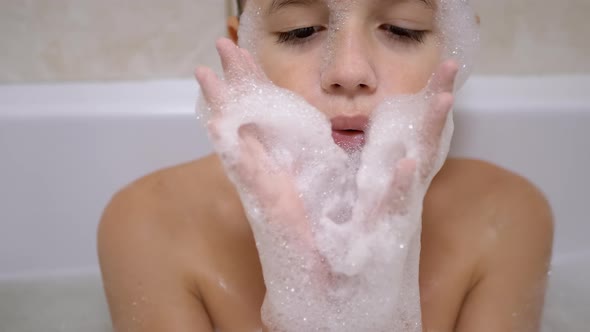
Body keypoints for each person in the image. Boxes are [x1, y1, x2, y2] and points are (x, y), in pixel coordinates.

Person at [97, 0, 554, 331]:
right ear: (244, 52)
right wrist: (304, 311)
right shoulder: (150, 223)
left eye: (402, 28)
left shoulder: (505, 217)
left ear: (452, 48)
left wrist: (371, 314)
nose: (349, 70)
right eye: (300, 31)